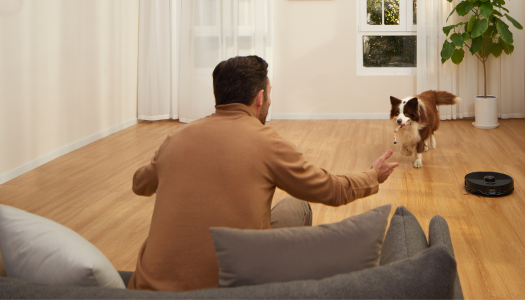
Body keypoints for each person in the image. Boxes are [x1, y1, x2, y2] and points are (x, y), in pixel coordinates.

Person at [127, 55, 399, 291]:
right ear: (260, 98)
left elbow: (140, 184)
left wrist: (166, 157)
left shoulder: (176, 138)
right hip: (235, 289)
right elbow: (331, 190)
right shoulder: (267, 142)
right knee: (297, 205)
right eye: (269, 93)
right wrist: (372, 176)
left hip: (147, 290)